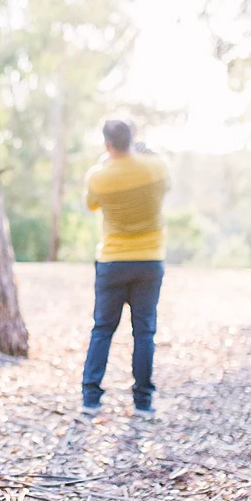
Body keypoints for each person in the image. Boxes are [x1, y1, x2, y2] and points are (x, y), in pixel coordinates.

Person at [80, 120, 170, 418]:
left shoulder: (98, 176)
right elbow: (166, 185)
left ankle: (91, 399)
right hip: (149, 260)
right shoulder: (157, 168)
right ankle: (143, 403)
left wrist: (105, 162)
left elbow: (91, 205)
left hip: (112, 261)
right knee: (144, 332)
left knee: (102, 330)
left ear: (107, 144)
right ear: (133, 139)